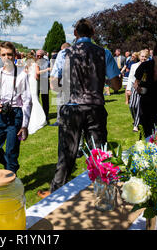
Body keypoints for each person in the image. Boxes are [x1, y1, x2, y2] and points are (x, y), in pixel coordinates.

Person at [38, 18, 121, 197]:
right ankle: (103, 194)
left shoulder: (64, 54)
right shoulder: (104, 53)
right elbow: (116, 85)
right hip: (95, 108)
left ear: (75, 34)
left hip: (72, 107)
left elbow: (53, 84)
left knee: (66, 155)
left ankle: (56, 195)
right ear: (93, 34)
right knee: (99, 153)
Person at [0, 41, 32, 175]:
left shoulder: (22, 75)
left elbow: (27, 101)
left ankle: (11, 180)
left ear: (15, 55)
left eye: (10, 54)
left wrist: (24, 125)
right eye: (4, 54)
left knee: (12, 151)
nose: (7, 57)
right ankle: (10, 164)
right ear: (0, 55)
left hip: (15, 115)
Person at [49, 42, 70, 127]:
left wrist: (55, 82)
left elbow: (59, 70)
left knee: (60, 101)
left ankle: (59, 120)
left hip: (63, 81)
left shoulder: (62, 54)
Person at [25, 53, 47, 135]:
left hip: (29, 81)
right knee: (35, 98)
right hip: (34, 81)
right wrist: (47, 69)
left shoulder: (27, 65)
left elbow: (26, 73)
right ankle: (40, 118)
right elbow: (37, 74)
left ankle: (31, 116)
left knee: (32, 98)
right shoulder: (35, 64)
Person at [126, 50, 148, 132]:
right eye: (142, 56)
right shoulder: (134, 66)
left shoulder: (149, 66)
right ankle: (136, 119)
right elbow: (130, 78)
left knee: (138, 105)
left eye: (145, 56)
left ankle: (136, 125)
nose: (144, 58)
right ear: (139, 57)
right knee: (132, 105)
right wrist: (128, 89)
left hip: (143, 88)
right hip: (134, 87)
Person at [35, 49, 51, 123]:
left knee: (45, 99)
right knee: (36, 98)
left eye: (40, 55)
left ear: (43, 55)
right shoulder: (34, 61)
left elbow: (49, 71)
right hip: (36, 82)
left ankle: (46, 115)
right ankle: (38, 115)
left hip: (44, 81)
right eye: (37, 55)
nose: (38, 57)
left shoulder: (46, 62)